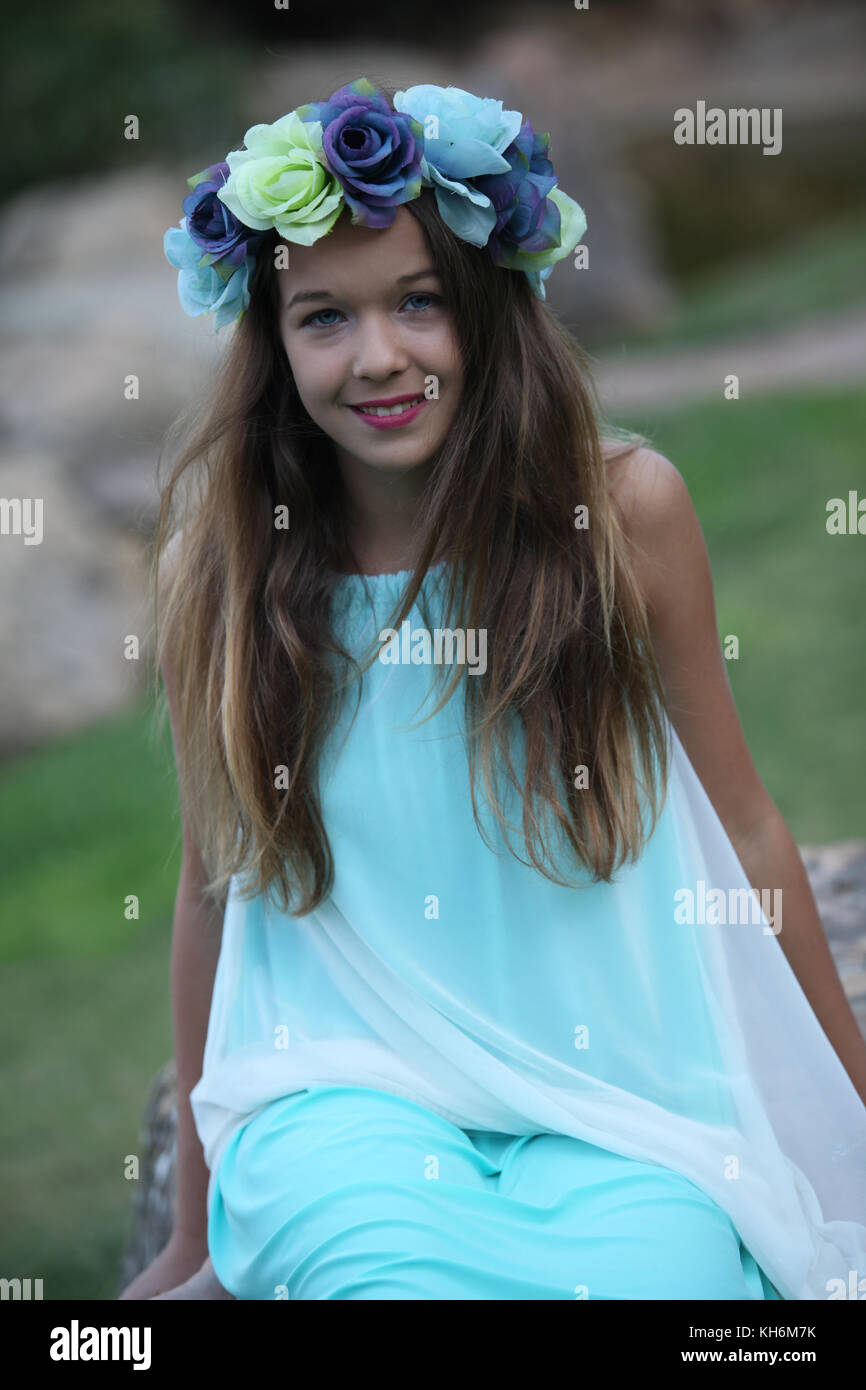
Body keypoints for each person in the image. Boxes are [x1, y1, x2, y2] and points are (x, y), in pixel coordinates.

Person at [118, 78, 866, 1301]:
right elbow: (214, 888)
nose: (378, 357)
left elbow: (740, 827)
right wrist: (193, 1237)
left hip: (619, 1095)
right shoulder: (231, 560)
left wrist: (846, 1126)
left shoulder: (620, 513)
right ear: (271, 342)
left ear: (485, 306)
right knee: (383, 1266)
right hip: (343, 1093)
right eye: (323, 318)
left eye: (417, 301)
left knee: (666, 1280)